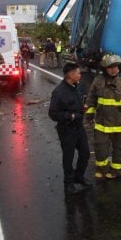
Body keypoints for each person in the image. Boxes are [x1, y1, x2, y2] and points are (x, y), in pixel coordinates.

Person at [85, 54, 121, 180]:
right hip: (101, 124)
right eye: (110, 67)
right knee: (100, 147)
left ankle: (116, 170)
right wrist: (89, 113)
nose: (113, 69)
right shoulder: (98, 80)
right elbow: (91, 97)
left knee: (119, 149)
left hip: (120, 125)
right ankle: (102, 168)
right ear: (105, 68)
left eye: (116, 66)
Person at [49, 63, 91, 195]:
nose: (80, 75)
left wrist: (82, 108)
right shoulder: (59, 92)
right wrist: (70, 116)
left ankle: (79, 176)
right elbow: (53, 114)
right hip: (67, 130)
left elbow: (76, 103)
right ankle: (69, 183)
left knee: (85, 153)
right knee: (68, 157)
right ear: (70, 75)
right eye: (78, 73)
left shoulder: (76, 87)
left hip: (79, 128)